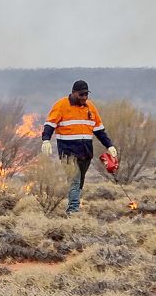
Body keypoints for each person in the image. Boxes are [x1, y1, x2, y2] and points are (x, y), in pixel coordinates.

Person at [41, 80, 117, 214]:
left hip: (86, 153)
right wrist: (46, 139)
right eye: (81, 94)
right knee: (74, 181)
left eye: (86, 94)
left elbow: (99, 130)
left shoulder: (90, 107)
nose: (84, 97)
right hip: (68, 153)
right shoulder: (61, 105)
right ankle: (73, 212)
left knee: (79, 182)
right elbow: (50, 124)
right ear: (73, 93)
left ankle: (72, 205)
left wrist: (109, 145)